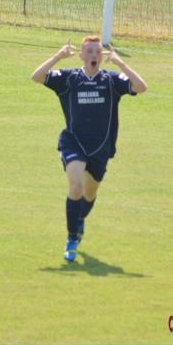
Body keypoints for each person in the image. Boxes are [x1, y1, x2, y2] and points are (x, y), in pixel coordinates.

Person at [31, 35, 148, 262]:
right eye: (90, 51)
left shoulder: (111, 80)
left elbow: (141, 87)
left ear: (102, 56)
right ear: (81, 55)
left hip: (101, 147)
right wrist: (58, 56)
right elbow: (36, 77)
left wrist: (121, 63)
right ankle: (72, 238)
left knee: (89, 194)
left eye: (98, 51)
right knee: (75, 187)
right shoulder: (70, 78)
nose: (94, 55)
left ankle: (80, 220)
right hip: (73, 141)